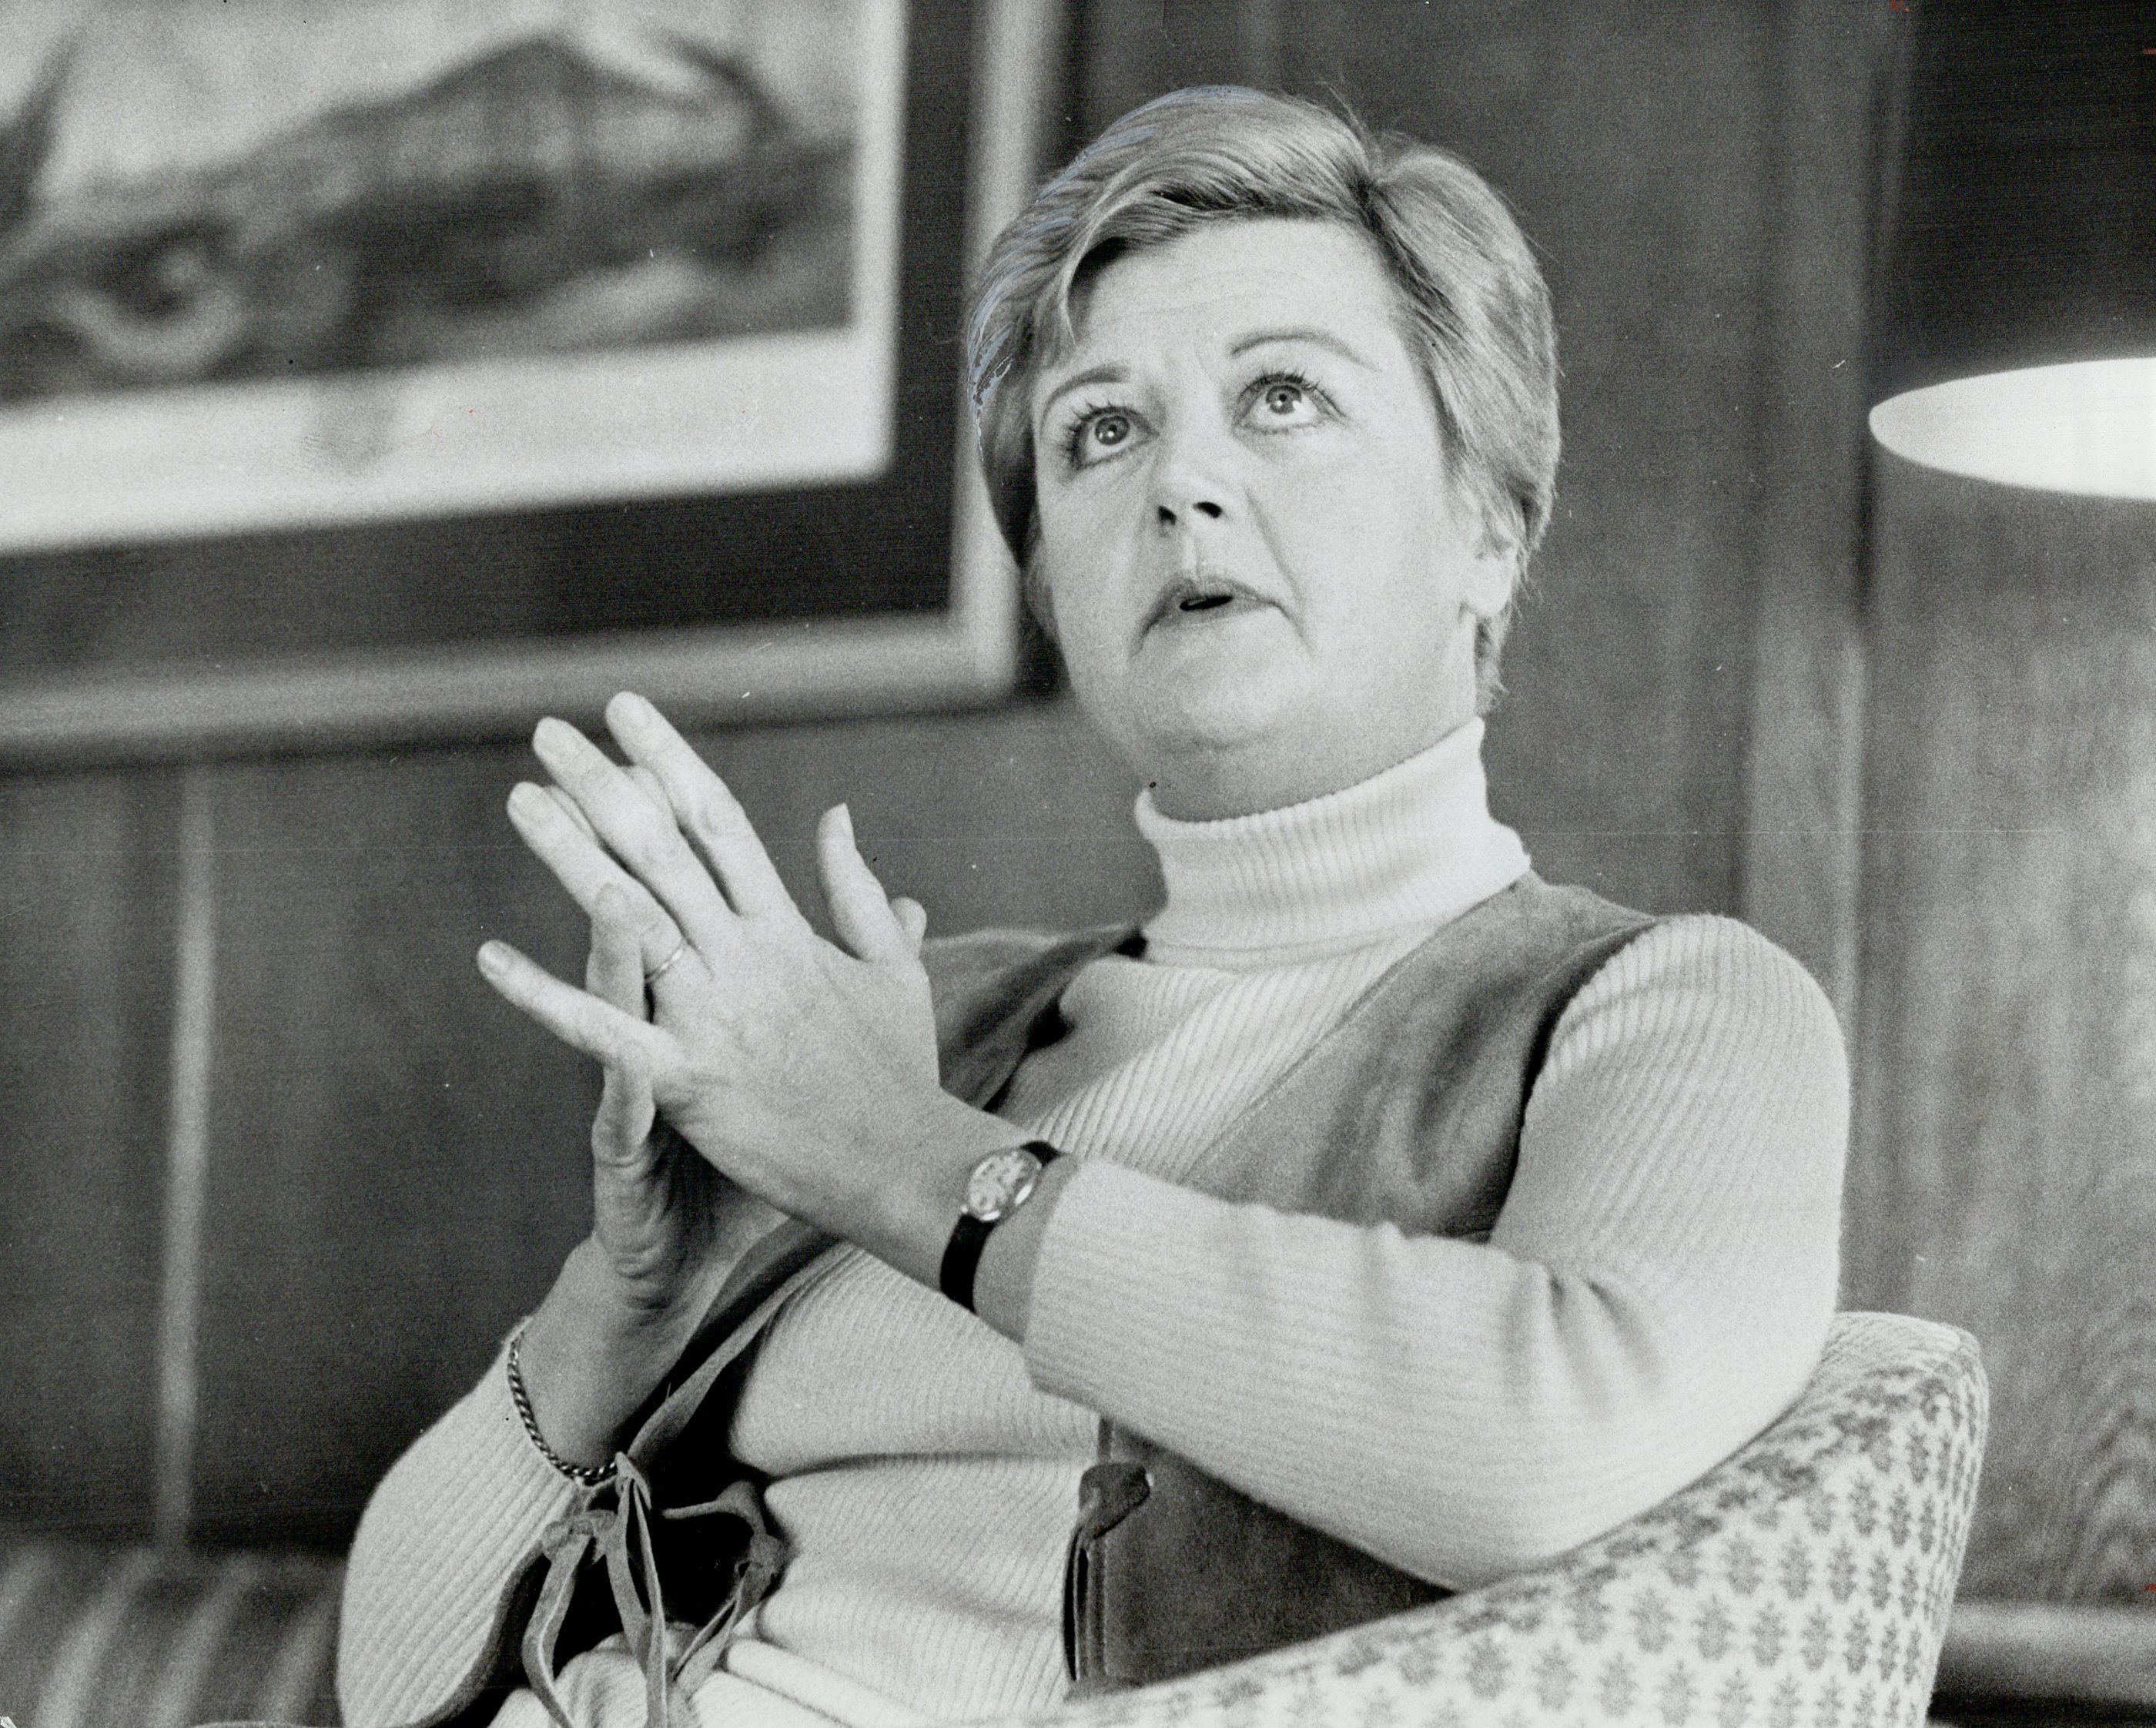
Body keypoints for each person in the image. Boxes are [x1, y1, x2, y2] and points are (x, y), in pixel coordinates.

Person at [336, 86, 1846, 1728]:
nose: (1181, 483)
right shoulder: (929, 1018)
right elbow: (388, 1682)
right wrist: (632, 1302)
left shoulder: (1671, 1009)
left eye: (1280, 397)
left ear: (1486, 526)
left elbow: (1550, 1440)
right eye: (1099, 432)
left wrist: (891, 1158)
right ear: (1054, 587)